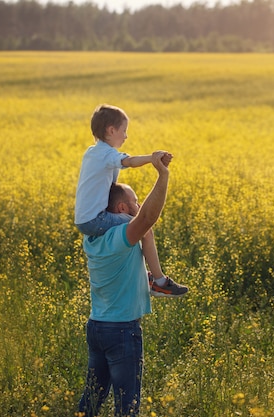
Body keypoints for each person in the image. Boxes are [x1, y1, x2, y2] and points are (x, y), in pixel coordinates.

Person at [78, 152, 173, 417]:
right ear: (121, 209)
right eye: (134, 201)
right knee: (127, 407)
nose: (139, 204)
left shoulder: (93, 239)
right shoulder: (119, 237)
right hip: (121, 331)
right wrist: (162, 175)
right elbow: (147, 218)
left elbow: (142, 222)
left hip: (97, 327)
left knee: (91, 402)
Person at [75, 104, 187, 297]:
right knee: (145, 229)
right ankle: (159, 281)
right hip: (95, 220)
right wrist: (152, 159)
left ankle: (150, 277)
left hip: (84, 219)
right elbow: (130, 162)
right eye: (124, 131)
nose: (126, 136)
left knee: (133, 224)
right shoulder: (107, 154)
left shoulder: (91, 152)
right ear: (111, 130)